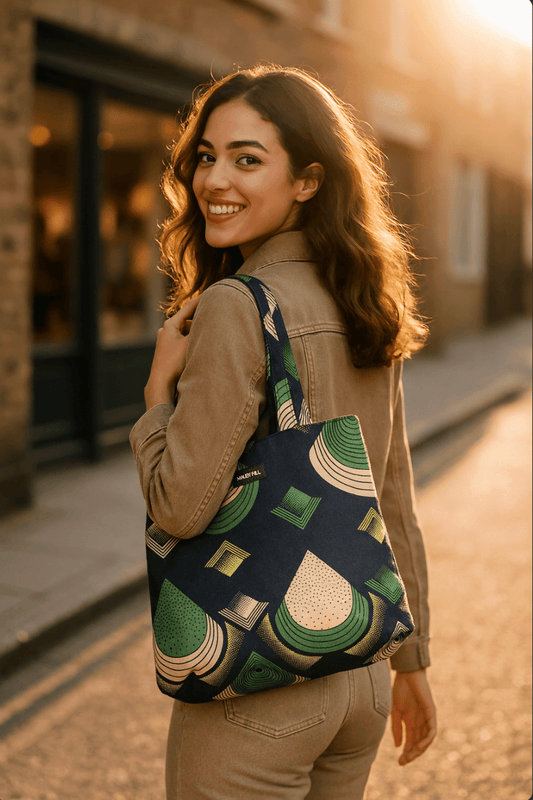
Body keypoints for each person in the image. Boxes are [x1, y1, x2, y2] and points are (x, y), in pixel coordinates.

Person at [129, 64, 437, 800]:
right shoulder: (362, 297)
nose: (213, 179)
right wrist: (412, 662)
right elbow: (390, 495)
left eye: (246, 158)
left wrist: (154, 399)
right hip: (359, 675)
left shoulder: (239, 305)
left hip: (260, 683)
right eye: (206, 156)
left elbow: (180, 506)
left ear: (306, 180)